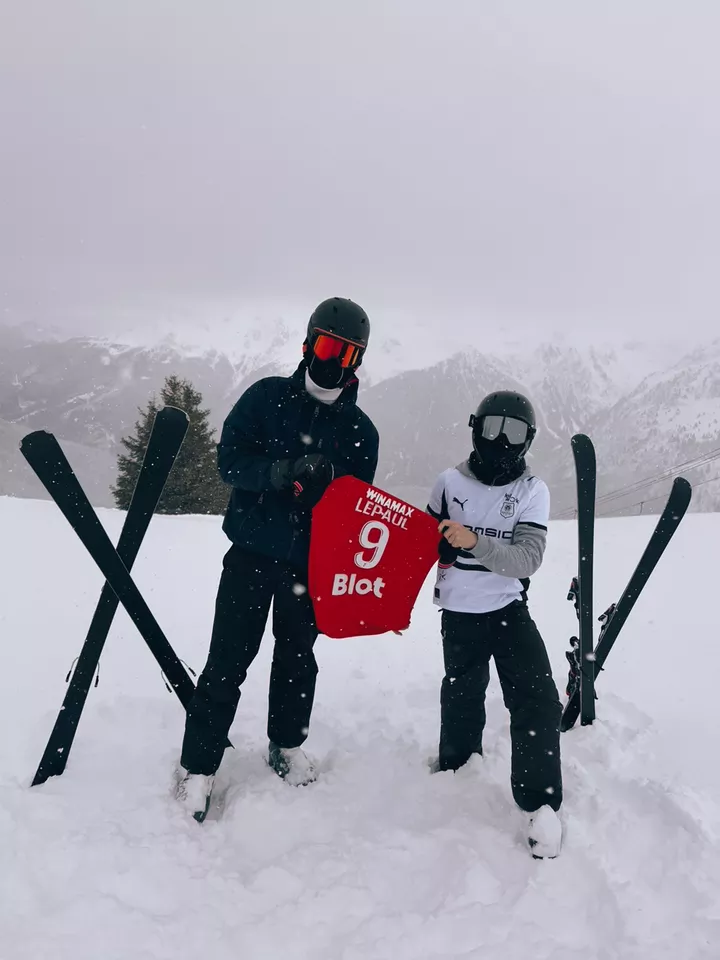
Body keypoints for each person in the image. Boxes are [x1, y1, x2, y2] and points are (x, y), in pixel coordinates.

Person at [176, 298, 379, 821]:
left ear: (359, 363)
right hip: (251, 554)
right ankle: (198, 766)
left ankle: (286, 744)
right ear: (308, 343)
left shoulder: (361, 433)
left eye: (348, 353)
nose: (335, 361)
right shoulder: (266, 398)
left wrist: (330, 486)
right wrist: (279, 471)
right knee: (227, 659)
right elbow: (229, 461)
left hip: (310, 566)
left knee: (296, 659)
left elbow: (359, 509)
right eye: (328, 346)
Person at [427, 390, 563, 858]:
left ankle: (541, 804)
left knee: (537, 698)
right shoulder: (447, 482)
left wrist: (471, 542)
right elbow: (418, 545)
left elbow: (527, 558)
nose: (502, 441)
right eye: (493, 428)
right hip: (460, 611)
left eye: (515, 432)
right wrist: (435, 548)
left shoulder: (532, 491)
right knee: (462, 692)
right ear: (476, 428)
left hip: (507, 609)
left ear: (528, 441)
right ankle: (457, 769)